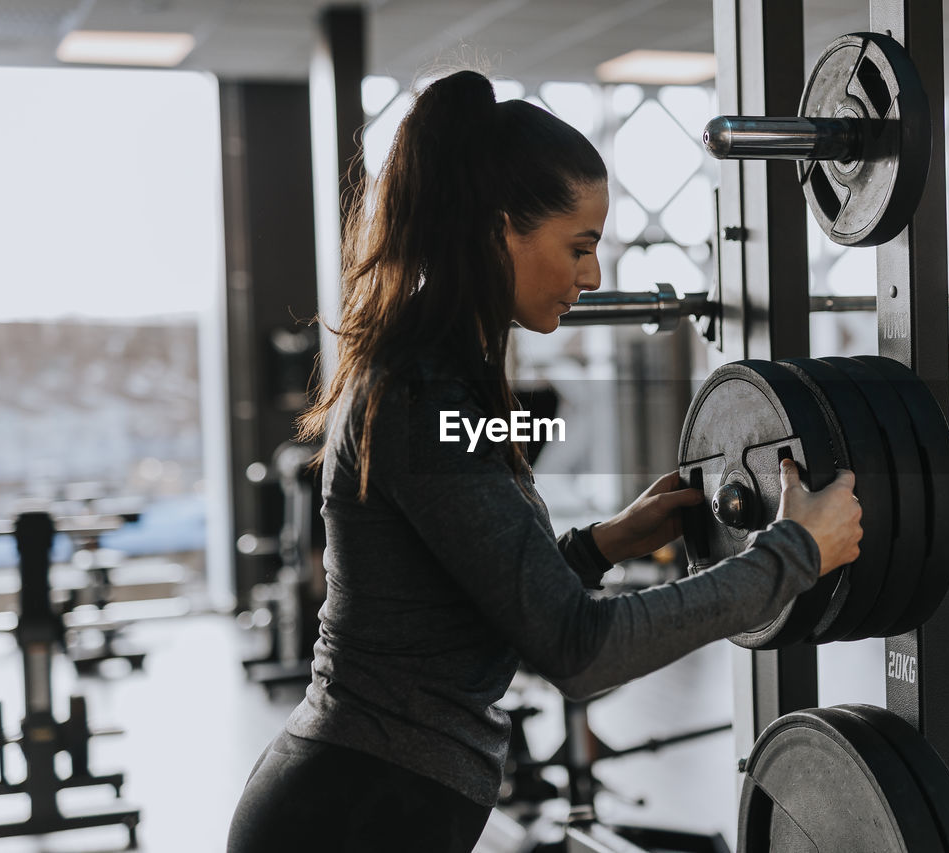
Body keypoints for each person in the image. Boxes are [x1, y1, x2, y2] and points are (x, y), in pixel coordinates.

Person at [226, 69, 862, 853]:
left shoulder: (444, 378)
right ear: (499, 233)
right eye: (580, 246)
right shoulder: (422, 395)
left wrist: (604, 544)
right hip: (351, 813)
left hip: (373, 799)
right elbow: (576, 649)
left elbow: (479, 591)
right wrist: (795, 553)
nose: (592, 275)